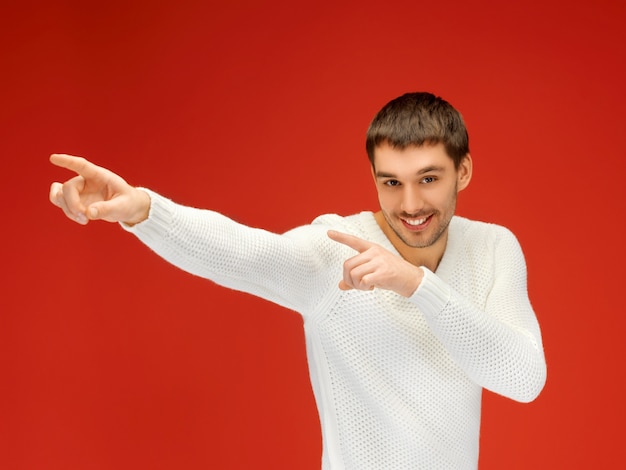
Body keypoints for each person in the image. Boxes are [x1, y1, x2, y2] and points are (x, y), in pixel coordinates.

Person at [49, 92, 546, 469]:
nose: (410, 204)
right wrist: (144, 210)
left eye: (429, 178)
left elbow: (523, 379)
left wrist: (417, 285)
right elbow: (240, 250)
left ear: (463, 172)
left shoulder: (493, 248)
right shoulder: (335, 249)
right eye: (391, 182)